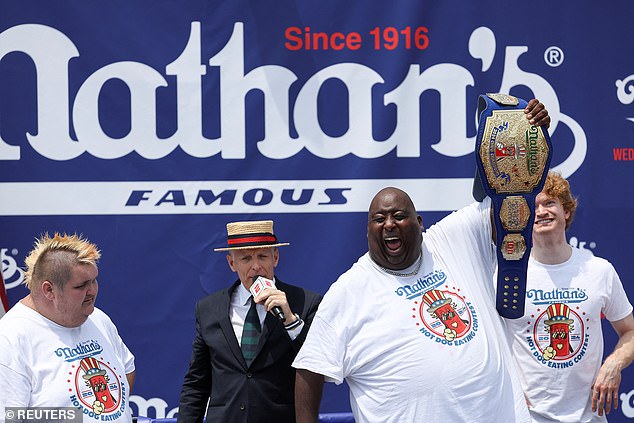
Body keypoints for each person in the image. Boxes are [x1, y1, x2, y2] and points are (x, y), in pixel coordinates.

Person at [292, 99, 550, 423]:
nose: (389, 224)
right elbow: (310, 369)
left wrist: (526, 133)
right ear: (367, 230)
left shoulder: (451, 240)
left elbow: (508, 201)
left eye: (399, 216)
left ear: (420, 222)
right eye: (379, 219)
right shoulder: (349, 290)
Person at [503, 171, 634, 422]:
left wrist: (614, 364)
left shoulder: (599, 270)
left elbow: (630, 331)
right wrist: (506, 382)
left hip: (590, 417)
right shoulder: (508, 275)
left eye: (550, 203)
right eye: (533, 205)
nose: (541, 211)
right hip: (527, 417)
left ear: (566, 211)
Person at [177, 220, 322, 423]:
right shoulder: (209, 308)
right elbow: (197, 383)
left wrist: (290, 321)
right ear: (231, 263)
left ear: (276, 257)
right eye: (246, 258)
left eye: (263, 256)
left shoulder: (304, 302)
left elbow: (319, 365)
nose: (256, 266)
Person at [0, 233, 135, 421]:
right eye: (81, 286)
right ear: (49, 290)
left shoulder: (97, 317)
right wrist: (71, 416)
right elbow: (10, 417)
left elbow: (127, 368)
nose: (93, 291)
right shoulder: (10, 338)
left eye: (94, 280)